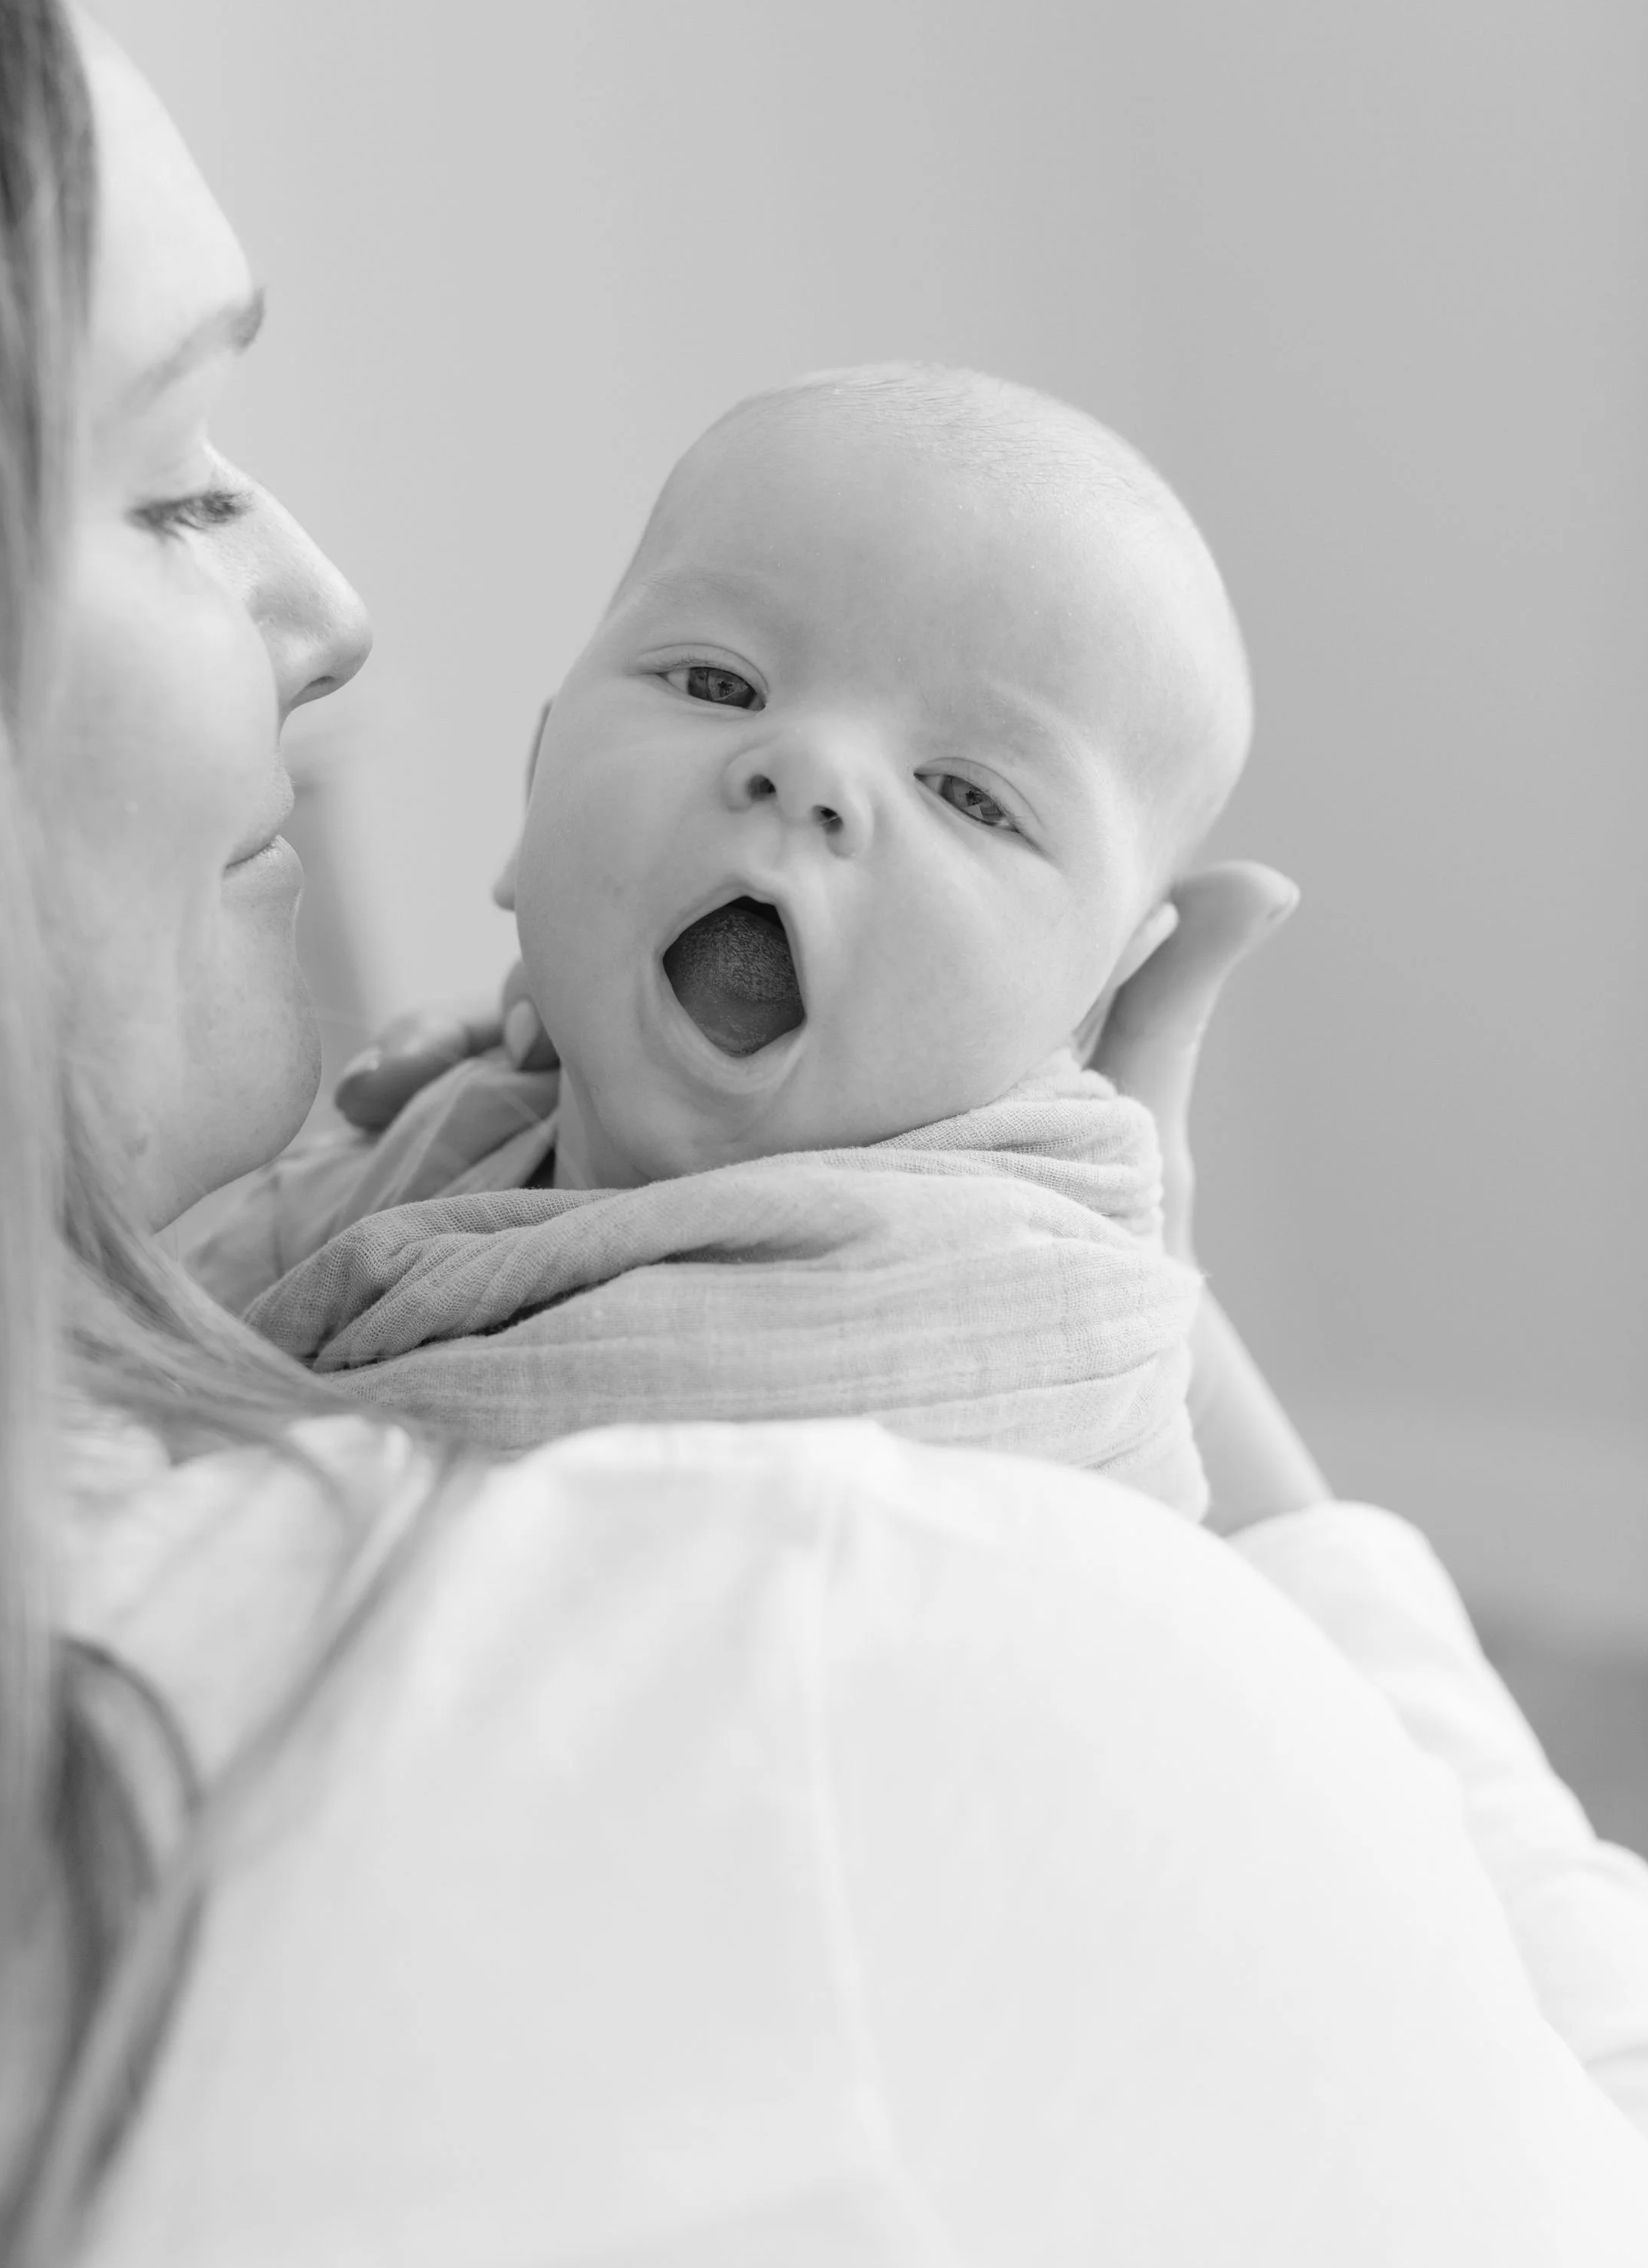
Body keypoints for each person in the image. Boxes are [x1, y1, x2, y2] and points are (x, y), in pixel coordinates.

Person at [0, 0, 1648, 2268]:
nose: (335, 610)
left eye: (979, 793)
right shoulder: (846, 1677)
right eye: (178, 479)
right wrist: (1282, 1521)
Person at [188, 367, 1250, 1517]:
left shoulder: (1023, 1300)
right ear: (535, 792)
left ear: (1088, 1007)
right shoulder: (415, 1157)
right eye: (717, 682)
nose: (808, 772)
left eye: (969, 795)